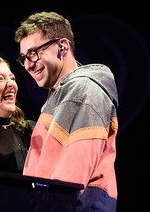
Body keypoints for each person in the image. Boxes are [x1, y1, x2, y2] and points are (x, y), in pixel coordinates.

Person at [14, 11, 118, 211]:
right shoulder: (60, 95)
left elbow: (71, 173)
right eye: (23, 58)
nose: (27, 64)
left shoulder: (83, 91)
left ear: (62, 45)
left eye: (33, 53)